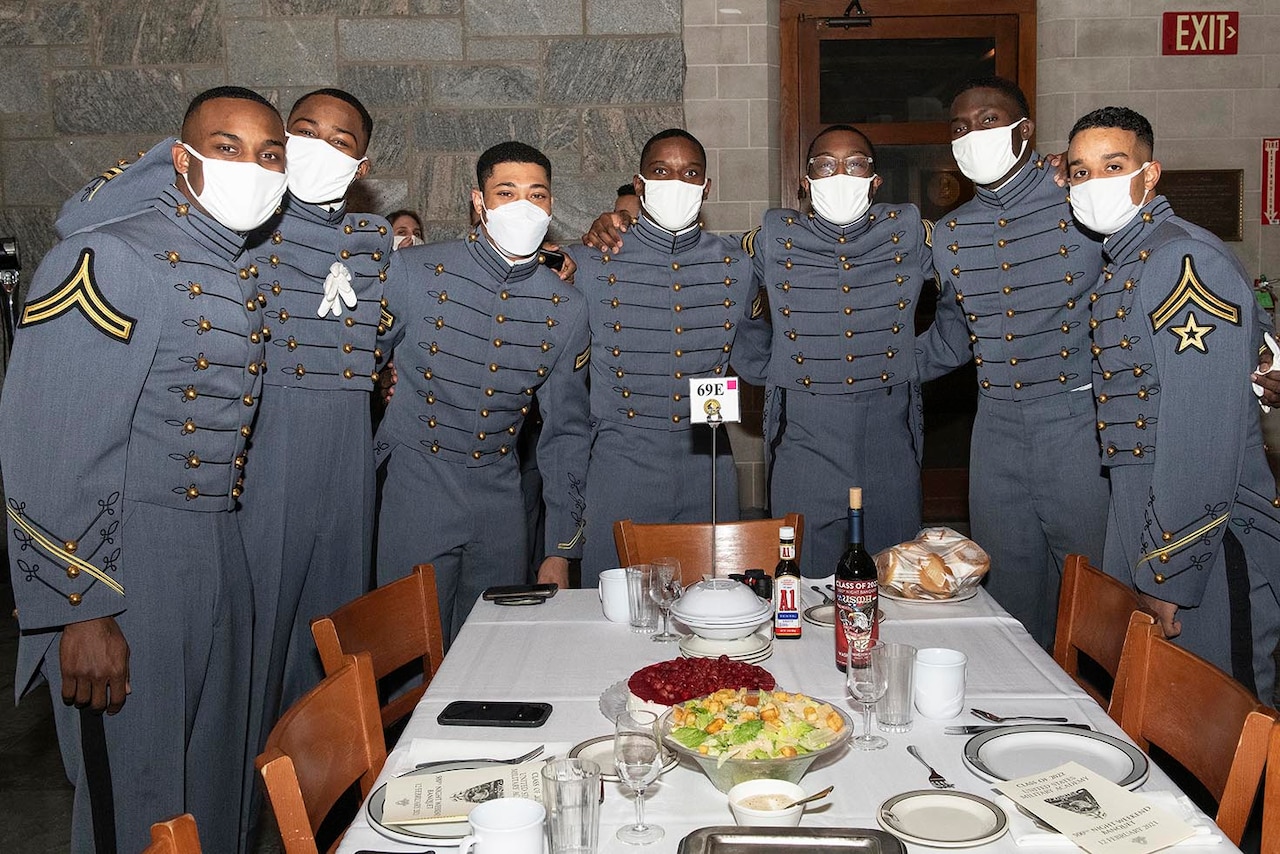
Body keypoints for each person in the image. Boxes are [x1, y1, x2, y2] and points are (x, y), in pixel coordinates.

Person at [0, 86, 285, 853]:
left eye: (269, 154)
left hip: (218, 549)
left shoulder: (231, 263)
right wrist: (80, 607)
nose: (251, 167)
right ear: (182, 159)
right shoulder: (107, 256)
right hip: (130, 566)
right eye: (228, 147)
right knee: (139, 804)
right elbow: (51, 443)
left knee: (216, 788)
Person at [1068, 105, 1280, 699]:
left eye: (1114, 165)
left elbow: (1201, 439)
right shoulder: (1131, 256)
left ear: (1150, 173)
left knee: (1216, 724)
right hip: (1140, 509)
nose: (1096, 183)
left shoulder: (1182, 260)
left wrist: (1169, 573)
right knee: (1150, 711)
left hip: (1201, 531)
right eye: (1082, 172)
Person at [913, 77, 1109, 649]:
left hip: (1079, 426)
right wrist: (870, 368)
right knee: (1011, 604)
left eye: (990, 120)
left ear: (1026, 131)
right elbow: (952, 338)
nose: (974, 134)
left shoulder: (1081, 202)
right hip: (995, 430)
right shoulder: (951, 234)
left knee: (1094, 595)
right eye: (960, 127)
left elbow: (1160, 270)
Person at [376, 141, 590, 640]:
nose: (523, 205)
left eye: (537, 194)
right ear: (479, 201)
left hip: (500, 500)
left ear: (551, 204)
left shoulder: (567, 305)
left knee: (491, 652)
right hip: (415, 485)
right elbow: (357, 365)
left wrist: (560, 550)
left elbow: (566, 433)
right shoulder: (415, 272)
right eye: (506, 192)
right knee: (409, 650)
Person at [734, 125, 931, 575]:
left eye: (855, 164)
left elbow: (968, 290)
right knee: (802, 583)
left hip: (889, 439)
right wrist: (773, 366)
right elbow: (737, 308)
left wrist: (915, 360)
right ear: (805, 181)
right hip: (805, 439)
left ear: (875, 180)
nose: (839, 174)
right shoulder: (772, 236)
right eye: (825, 164)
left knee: (895, 588)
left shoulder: (908, 232)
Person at [574, 129, 752, 583]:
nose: (677, 182)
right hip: (621, 463)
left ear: (707, 187)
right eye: (661, 171)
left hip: (708, 459)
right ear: (639, 184)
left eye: (690, 173)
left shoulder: (738, 262)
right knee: (617, 618)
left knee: (716, 610)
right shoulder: (593, 259)